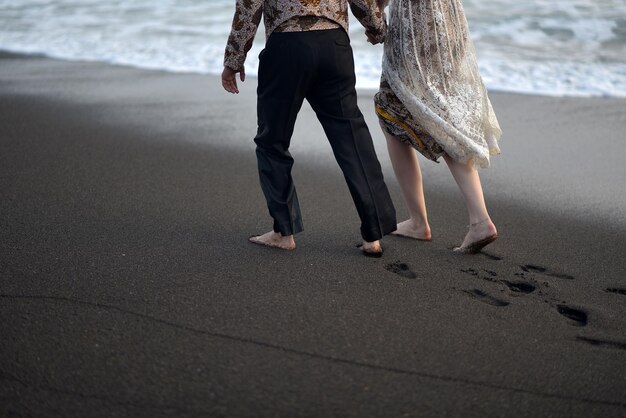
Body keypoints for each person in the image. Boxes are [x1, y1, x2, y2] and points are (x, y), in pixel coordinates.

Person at [222, 0, 397, 257]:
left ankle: (284, 232)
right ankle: (373, 234)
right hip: (334, 47)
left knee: (273, 141)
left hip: (287, 48)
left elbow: (249, 7)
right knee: (352, 139)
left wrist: (234, 60)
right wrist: (376, 28)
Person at [374, 0, 502, 254]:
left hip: (415, 27)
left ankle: (424, 222)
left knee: (392, 114)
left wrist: (374, 17)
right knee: (443, 116)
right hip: (448, 23)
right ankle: (475, 218)